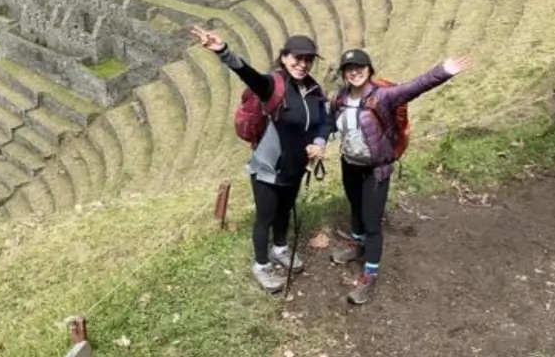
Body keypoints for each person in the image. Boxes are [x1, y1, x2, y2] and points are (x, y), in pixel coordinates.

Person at [191, 25, 331, 293]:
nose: (302, 64)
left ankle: (280, 248)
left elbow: (324, 121)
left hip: (296, 167)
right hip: (268, 167)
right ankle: (261, 265)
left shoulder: (314, 90)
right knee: (265, 218)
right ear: (284, 57)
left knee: (285, 211)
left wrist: (319, 142)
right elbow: (248, 74)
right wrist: (223, 51)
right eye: (297, 58)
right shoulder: (273, 85)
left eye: (308, 60)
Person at [326, 48, 472, 305]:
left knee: (372, 223)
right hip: (350, 165)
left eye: (360, 67)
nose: (355, 72)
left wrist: (444, 70)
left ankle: (370, 275)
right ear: (343, 73)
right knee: (356, 210)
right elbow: (328, 125)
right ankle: (357, 246)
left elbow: (414, 87)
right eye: (349, 68)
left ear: (369, 70)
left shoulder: (383, 96)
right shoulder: (340, 99)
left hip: (376, 170)